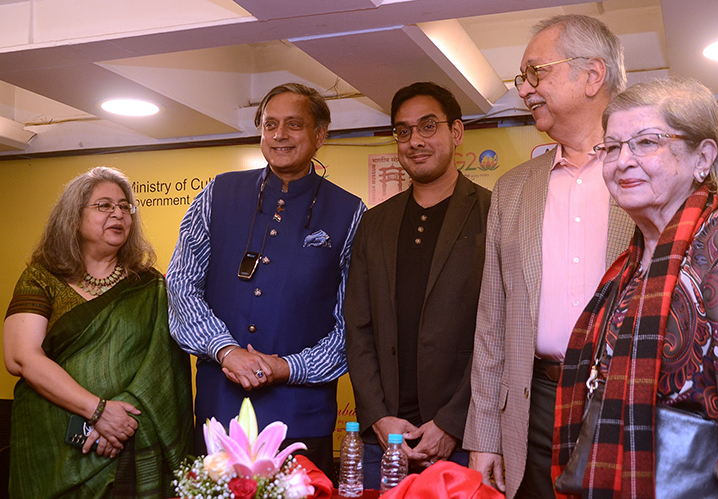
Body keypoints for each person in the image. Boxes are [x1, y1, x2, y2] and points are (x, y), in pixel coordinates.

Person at [463, 14, 718, 498]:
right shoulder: (511, 190)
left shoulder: (658, 173)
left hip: (637, 402)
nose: (525, 90)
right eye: (522, 78)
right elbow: (492, 323)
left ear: (592, 74)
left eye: (537, 73)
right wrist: (484, 436)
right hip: (534, 407)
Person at [553, 76, 718, 498]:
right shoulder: (629, 263)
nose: (622, 161)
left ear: (702, 157)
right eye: (611, 147)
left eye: (646, 142)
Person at [167, 82, 365, 480]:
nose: (279, 135)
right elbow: (181, 285)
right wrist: (225, 350)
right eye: (270, 124)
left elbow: (354, 325)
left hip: (302, 417)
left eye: (294, 124)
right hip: (221, 412)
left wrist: (288, 367)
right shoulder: (218, 193)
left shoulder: (350, 212)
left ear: (319, 135)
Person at [3, 166, 193, 498]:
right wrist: (98, 412)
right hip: (51, 442)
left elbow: (161, 369)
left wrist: (117, 420)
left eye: (125, 206)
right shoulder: (41, 278)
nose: (118, 213)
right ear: (73, 218)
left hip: (128, 437)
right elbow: (20, 357)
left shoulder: (150, 286)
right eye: (104, 205)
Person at [345, 82, 491, 489]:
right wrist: (377, 415)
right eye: (403, 131)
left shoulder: (493, 213)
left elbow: (500, 334)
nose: (414, 141)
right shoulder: (374, 223)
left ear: (456, 133)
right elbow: (357, 328)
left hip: (462, 436)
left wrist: (451, 423)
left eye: (428, 127)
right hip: (383, 440)